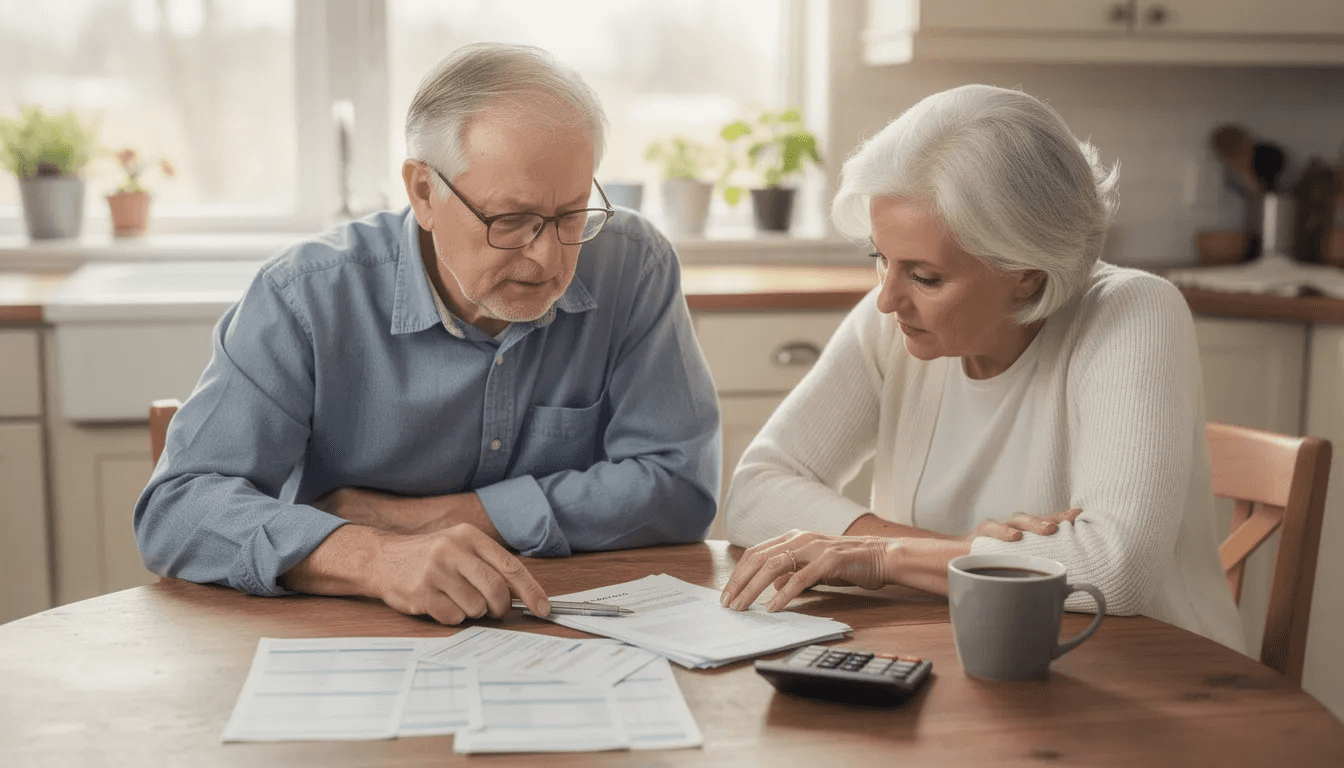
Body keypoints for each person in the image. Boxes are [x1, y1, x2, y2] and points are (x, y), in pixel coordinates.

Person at [135, 43, 720, 626]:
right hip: (349, 638)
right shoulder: (305, 295)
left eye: (570, 215)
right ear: (423, 193)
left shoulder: (633, 264)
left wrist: (450, 517)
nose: (547, 258)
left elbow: (679, 487)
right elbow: (176, 509)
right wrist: (374, 557)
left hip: (568, 630)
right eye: (510, 220)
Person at [718, 84, 1243, 652]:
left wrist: (881, 556)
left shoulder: (1131, 312)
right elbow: (754, 492)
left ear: (1028, 273)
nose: (887, 299)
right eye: (880, 259)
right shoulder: (891, 324)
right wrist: (952, 553)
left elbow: (1114, 570)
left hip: (1152, 681)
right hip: (964, 658)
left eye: (925, 277)